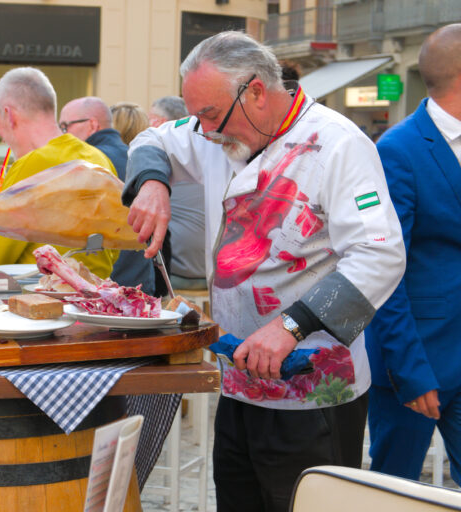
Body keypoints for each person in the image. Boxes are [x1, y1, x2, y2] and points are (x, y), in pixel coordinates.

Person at [124, 31, 406, 511]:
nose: (204, 130)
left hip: (313, 395)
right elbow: (152, 138)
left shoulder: (339, 145)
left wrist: (292, 326)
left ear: (255, 90)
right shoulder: (215, 131)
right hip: (237, 385)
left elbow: (381, 254)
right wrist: (152, 182)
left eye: (210, 115)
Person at [365, 23, 461, 486]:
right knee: (393, 489)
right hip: (415, 361)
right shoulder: (397, 150)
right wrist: (409, 369)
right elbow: (383, 270)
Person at [0, 67, 117, 277]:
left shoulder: (33, 164)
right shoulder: (99, 159)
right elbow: (114, 246)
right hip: (96, 297)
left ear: (9, 115)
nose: (2, 136)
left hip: (39, 299)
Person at [59, 96, 154, 293]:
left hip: (109, 287)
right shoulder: (134, 155)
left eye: (65, 126)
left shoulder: (89, 161)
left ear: (92, 124)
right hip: (142, 278)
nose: (63, 134)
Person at [146, 96, 209, 291]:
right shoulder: (209, 156)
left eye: (151, 119)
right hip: (213, 272)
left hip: (176, 275)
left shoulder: (160, 163)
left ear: (160, 123)